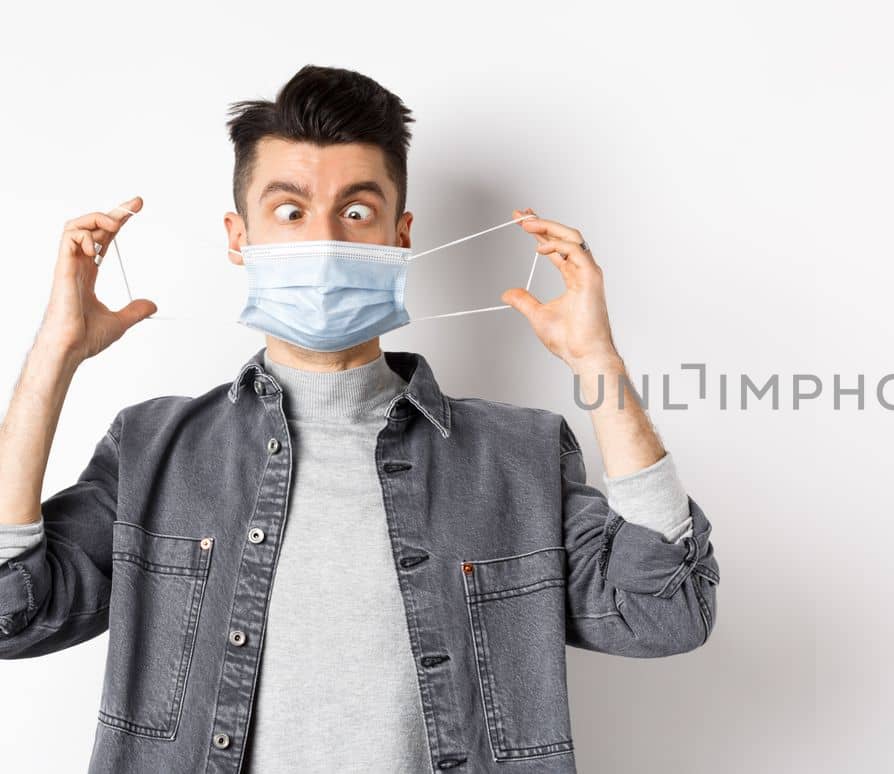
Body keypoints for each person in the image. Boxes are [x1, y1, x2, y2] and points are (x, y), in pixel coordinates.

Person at [0, 64, 720, 773]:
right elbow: (12, 613)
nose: (325, 241)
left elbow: (665, 613)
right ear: (237, 237)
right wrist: (53, 356)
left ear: (398, 235)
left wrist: (598, 360)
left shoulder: (516, 457)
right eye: (289, 211)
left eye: (355, 211)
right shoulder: (153, 452)